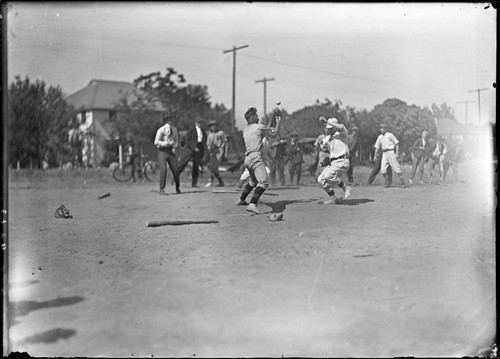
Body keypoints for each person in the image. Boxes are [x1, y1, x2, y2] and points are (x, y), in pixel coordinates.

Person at [237, 107, 281, 214]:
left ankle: (242, 199)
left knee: (253, 181)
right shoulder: (259, 127)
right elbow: (273, 133)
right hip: (256, 157)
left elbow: (266, 130)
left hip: (247, 159)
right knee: (264, 182)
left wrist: (271, 119)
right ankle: (252, 204)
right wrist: (279, 122)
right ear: (252, 118)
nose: (258, 117)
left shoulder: (246, 129)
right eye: (256, 115)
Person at [317, 117, 352, 204]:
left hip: (342, 161)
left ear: (335, 126)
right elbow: (320, 146)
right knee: (321, 179)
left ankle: (345, 188)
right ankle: (334, 198)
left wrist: (328, 122)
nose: (329, 130)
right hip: (333, 162)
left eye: (331, 128)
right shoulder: (329, 137)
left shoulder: (342, 134)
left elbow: (340, 128)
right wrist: (320, 144)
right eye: (328, 128)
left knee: (328, 175)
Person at [154, 114, 181, 195]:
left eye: (173, 119)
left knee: (176, 169)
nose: (172, 121)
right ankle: (161, 189)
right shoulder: (162, 129)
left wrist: (174, 146)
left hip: (170, 150)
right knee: (164, 169)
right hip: (162, 151)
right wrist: (166, 143)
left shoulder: (175, 129)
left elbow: (176, 140)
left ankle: (177, 187)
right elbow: (156, 141)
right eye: (170, 119)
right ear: (167, 120)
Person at [177, 118, 207, 187]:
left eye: (201, 123)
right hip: (189, 149)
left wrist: (204, 151)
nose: (200, 124)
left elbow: (204, 141)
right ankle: (174, 178)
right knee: (182, 164)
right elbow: (187, 140)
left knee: (196, 166)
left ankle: (194, 183)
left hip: (199, 149)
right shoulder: (192, 130)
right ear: (196, 123)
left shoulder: (203, 131)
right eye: (199, 123)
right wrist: (194, 147)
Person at [376, 123, 406, 187]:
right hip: (384, 153)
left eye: (383, 128)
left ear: (386, 129)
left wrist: (397, 153)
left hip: (391, 152)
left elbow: (397, 143)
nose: (382, 129)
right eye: (381, 128)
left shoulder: (390, 135)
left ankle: (402, 181)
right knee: (383, 169)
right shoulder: (380, 137)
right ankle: (387, 182)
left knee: (396, 167)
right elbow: (377, 146)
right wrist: (375, 155)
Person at [204, 120, 227, 187]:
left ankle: (211, 181)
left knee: (215, 166)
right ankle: (220, 182)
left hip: (219, 150)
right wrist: (208, 152)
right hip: (212, 151)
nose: (213, 127)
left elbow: (225, 142)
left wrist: (225, 153)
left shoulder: (221, 133)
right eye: (211, 126)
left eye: (214, 125)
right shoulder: (210, 135)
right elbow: (208, 144)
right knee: (211, 167)